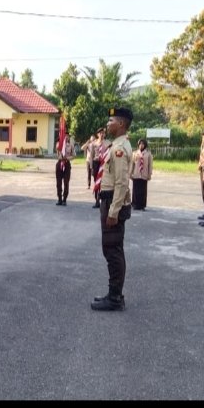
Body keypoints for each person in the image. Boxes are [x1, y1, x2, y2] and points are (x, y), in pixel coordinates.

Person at [91, 107, 133, 312]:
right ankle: (114, 293)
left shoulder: (120, 149)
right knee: (112, 249)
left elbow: (122, 183)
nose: (108, 124)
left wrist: (113, 212)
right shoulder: (116, 145)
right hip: (109, 201)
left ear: (121, 124)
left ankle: (115, 298)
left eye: (111, 121)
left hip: (112, 203)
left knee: (113, 250)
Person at [130, 138, 153, 210]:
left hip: (144, 174)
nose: (141, 145)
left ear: (145, 145)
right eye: (140, 144)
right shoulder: (135, 153)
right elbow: (132, 164)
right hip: (136, 174)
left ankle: (142, 205)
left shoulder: (148, 154)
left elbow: (150, 165)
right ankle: (135, 204)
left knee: (143, 191)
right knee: (135, 190)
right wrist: (130, 173)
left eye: (143, 144)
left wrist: (149, 174)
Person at [55, 132, 76, 206]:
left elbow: (74, 155)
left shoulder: (71, 145)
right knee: (58, 183)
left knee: (66, 182)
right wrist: (61, 142)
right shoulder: (59, 144)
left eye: (67, 136)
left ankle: (64, 199)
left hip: (67, 163)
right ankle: (59, 199)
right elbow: (57, 148)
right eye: (65, 136)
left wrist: (67, 158)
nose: (66, 137)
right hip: (60, 163)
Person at [90, 128, 109, 208]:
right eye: (100, 133)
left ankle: (103, 201)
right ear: (97, 134)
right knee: (96, 182)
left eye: (103, 133)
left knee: (104, 183)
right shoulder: (94, 143)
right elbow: (91, 156)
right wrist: (91, 167)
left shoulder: (108, 143)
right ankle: (97, 200)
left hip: (104, 164)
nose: (102, 134)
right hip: (96, 163)